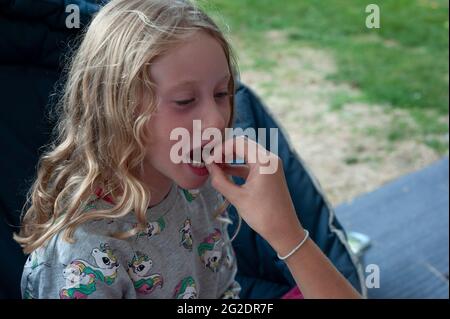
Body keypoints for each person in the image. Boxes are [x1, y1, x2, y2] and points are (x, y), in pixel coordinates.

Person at [14, 0, 360, 299]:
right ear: (116, 109)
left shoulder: (198, 189)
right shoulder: (85, 252)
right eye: (184, 100)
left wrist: (285, 230)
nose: (215, 120)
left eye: (223, 93)